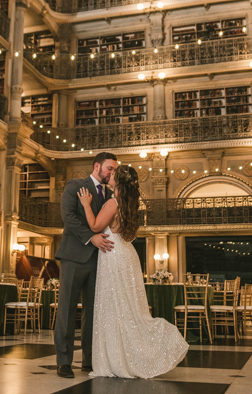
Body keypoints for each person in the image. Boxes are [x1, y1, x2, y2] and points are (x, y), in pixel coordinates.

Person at [77, 166, 189, 379]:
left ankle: (119, 358)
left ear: (117, 182)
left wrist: (86, 204)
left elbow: (94, 226)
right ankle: (127, 356)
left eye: (112, 175)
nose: (108, 176)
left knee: (115, 307)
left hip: (114, 256)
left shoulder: (112, 203)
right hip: (127, 254)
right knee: (128, 308)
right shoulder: (130, 204)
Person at [54, 152, 118, 379]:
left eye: (114, 170)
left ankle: (89, 360)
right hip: (73, 256)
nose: (112, 173)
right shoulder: (76, 185)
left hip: (99, 259)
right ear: (97, 166)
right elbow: (68, 216)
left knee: (93, 312)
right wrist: (91, 238)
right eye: (109, 168)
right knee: (67, 310)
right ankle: (63, 362)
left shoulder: (110, 194)